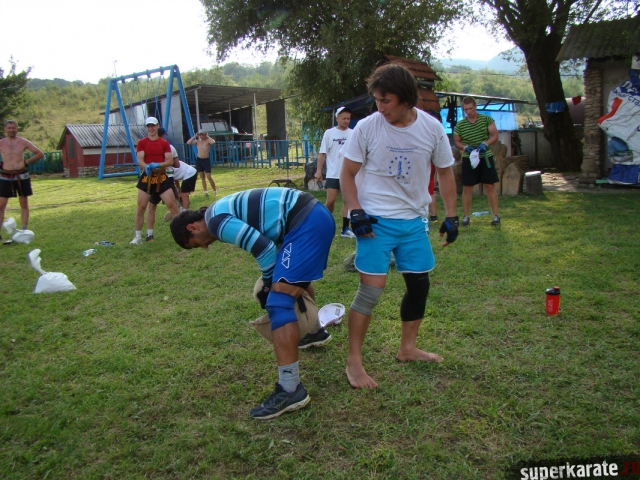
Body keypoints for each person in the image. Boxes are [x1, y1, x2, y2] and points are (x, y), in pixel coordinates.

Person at [339, 64, 459, 389]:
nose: (380, 107)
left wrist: (451, 215)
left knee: (419, 286)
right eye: (377, 100)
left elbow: (445, 172)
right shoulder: (368, 127)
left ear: (406, 99)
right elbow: (347, 173)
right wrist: (355, 210)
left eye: (386, 100)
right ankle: (354, 362)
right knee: (370, 291)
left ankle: (407, 349)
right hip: (375, 222)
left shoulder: (432, 129)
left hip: (413, 221)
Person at [170, 187, 335, 419]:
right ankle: (314, 332)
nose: (204, 247)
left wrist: (267, 286)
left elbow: (264, 248)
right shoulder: (216, 211)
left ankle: (290, 389)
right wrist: (271, 281)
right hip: (310, 215)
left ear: (192, 228)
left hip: (306, 221)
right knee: (289, 280)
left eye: (196, 244)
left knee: (278, 301)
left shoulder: (216, 223)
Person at [130, 117, 180, 244]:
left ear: (157, 126)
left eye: (153, 126)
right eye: (148, 126)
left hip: (162, 177)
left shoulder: (164, 143)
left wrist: (158, 164)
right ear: (146, 128)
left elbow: (169, 161)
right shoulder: (142, 142)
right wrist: (146, 166)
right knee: (141, 207)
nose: (151, 128)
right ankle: (137, 237)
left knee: (173, 206)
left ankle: (180, 235)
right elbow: (140, 160)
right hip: (147, 177)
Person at [453, 96, 500, 226]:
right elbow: (456, 141)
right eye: (466, 109)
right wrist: (465, 148)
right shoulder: (461, 124)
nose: (468, 111)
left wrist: (486, 143)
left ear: (475, 107)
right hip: (469, 158)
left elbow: (495, 135)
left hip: (485, 156)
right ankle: (466, 216)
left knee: (489, 186)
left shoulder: (486, 119)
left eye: (470, 108)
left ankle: (495, 215)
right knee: (467, 187)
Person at [315, 106, 356, 238]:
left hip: (348, 174)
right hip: (333, 173)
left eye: (348, 118)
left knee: (347, 201)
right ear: (337, 118)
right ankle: (321, 224)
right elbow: (322, 154)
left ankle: (345, 229)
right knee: (331, 200)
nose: (346, 121)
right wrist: (318, 171)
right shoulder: (329, 133)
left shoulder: (353, 133)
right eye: (344, 118)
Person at [0, 120, 44, 239]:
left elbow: (39, 153)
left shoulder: (23, 142)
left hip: (21, 175)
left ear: (17, 129)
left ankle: (24, 230)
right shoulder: (1, 143)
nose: (11, 130)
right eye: (9, 128)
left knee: (23, 202)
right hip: (6, 175)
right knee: (1, 205)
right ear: (5, 129)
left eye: (13, 128)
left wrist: (27, 162)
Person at [417, 87, 443, 223]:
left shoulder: (429, 129)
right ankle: (432, 215)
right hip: (427, 161)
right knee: (429, 187)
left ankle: (431, 215)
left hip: (428, 161)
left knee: (428, 187)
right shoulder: (431, 128)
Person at [186, 129, 217, 196]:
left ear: (205, 135)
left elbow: (213, 142)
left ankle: (215, 191)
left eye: (202, 135)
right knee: (202, 177)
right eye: (200, 135)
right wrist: (195, 136)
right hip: (199, 160)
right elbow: (188, 142)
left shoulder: (208, 141)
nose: (201, 136)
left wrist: (208, 136)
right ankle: (205, 192)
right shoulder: (198, 141)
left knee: (209, 177)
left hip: (206, 160)